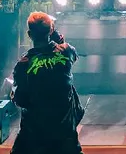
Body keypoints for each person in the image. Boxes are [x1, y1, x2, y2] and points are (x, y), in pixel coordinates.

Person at [10, 12, 84, 154]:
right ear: (51, 30)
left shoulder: (23, 63)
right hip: (64, 129)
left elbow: (20, 100)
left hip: (35, 132)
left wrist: (13, 95)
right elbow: (70, 52)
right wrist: (56, 37)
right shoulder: (66, 51)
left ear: (30, 35)